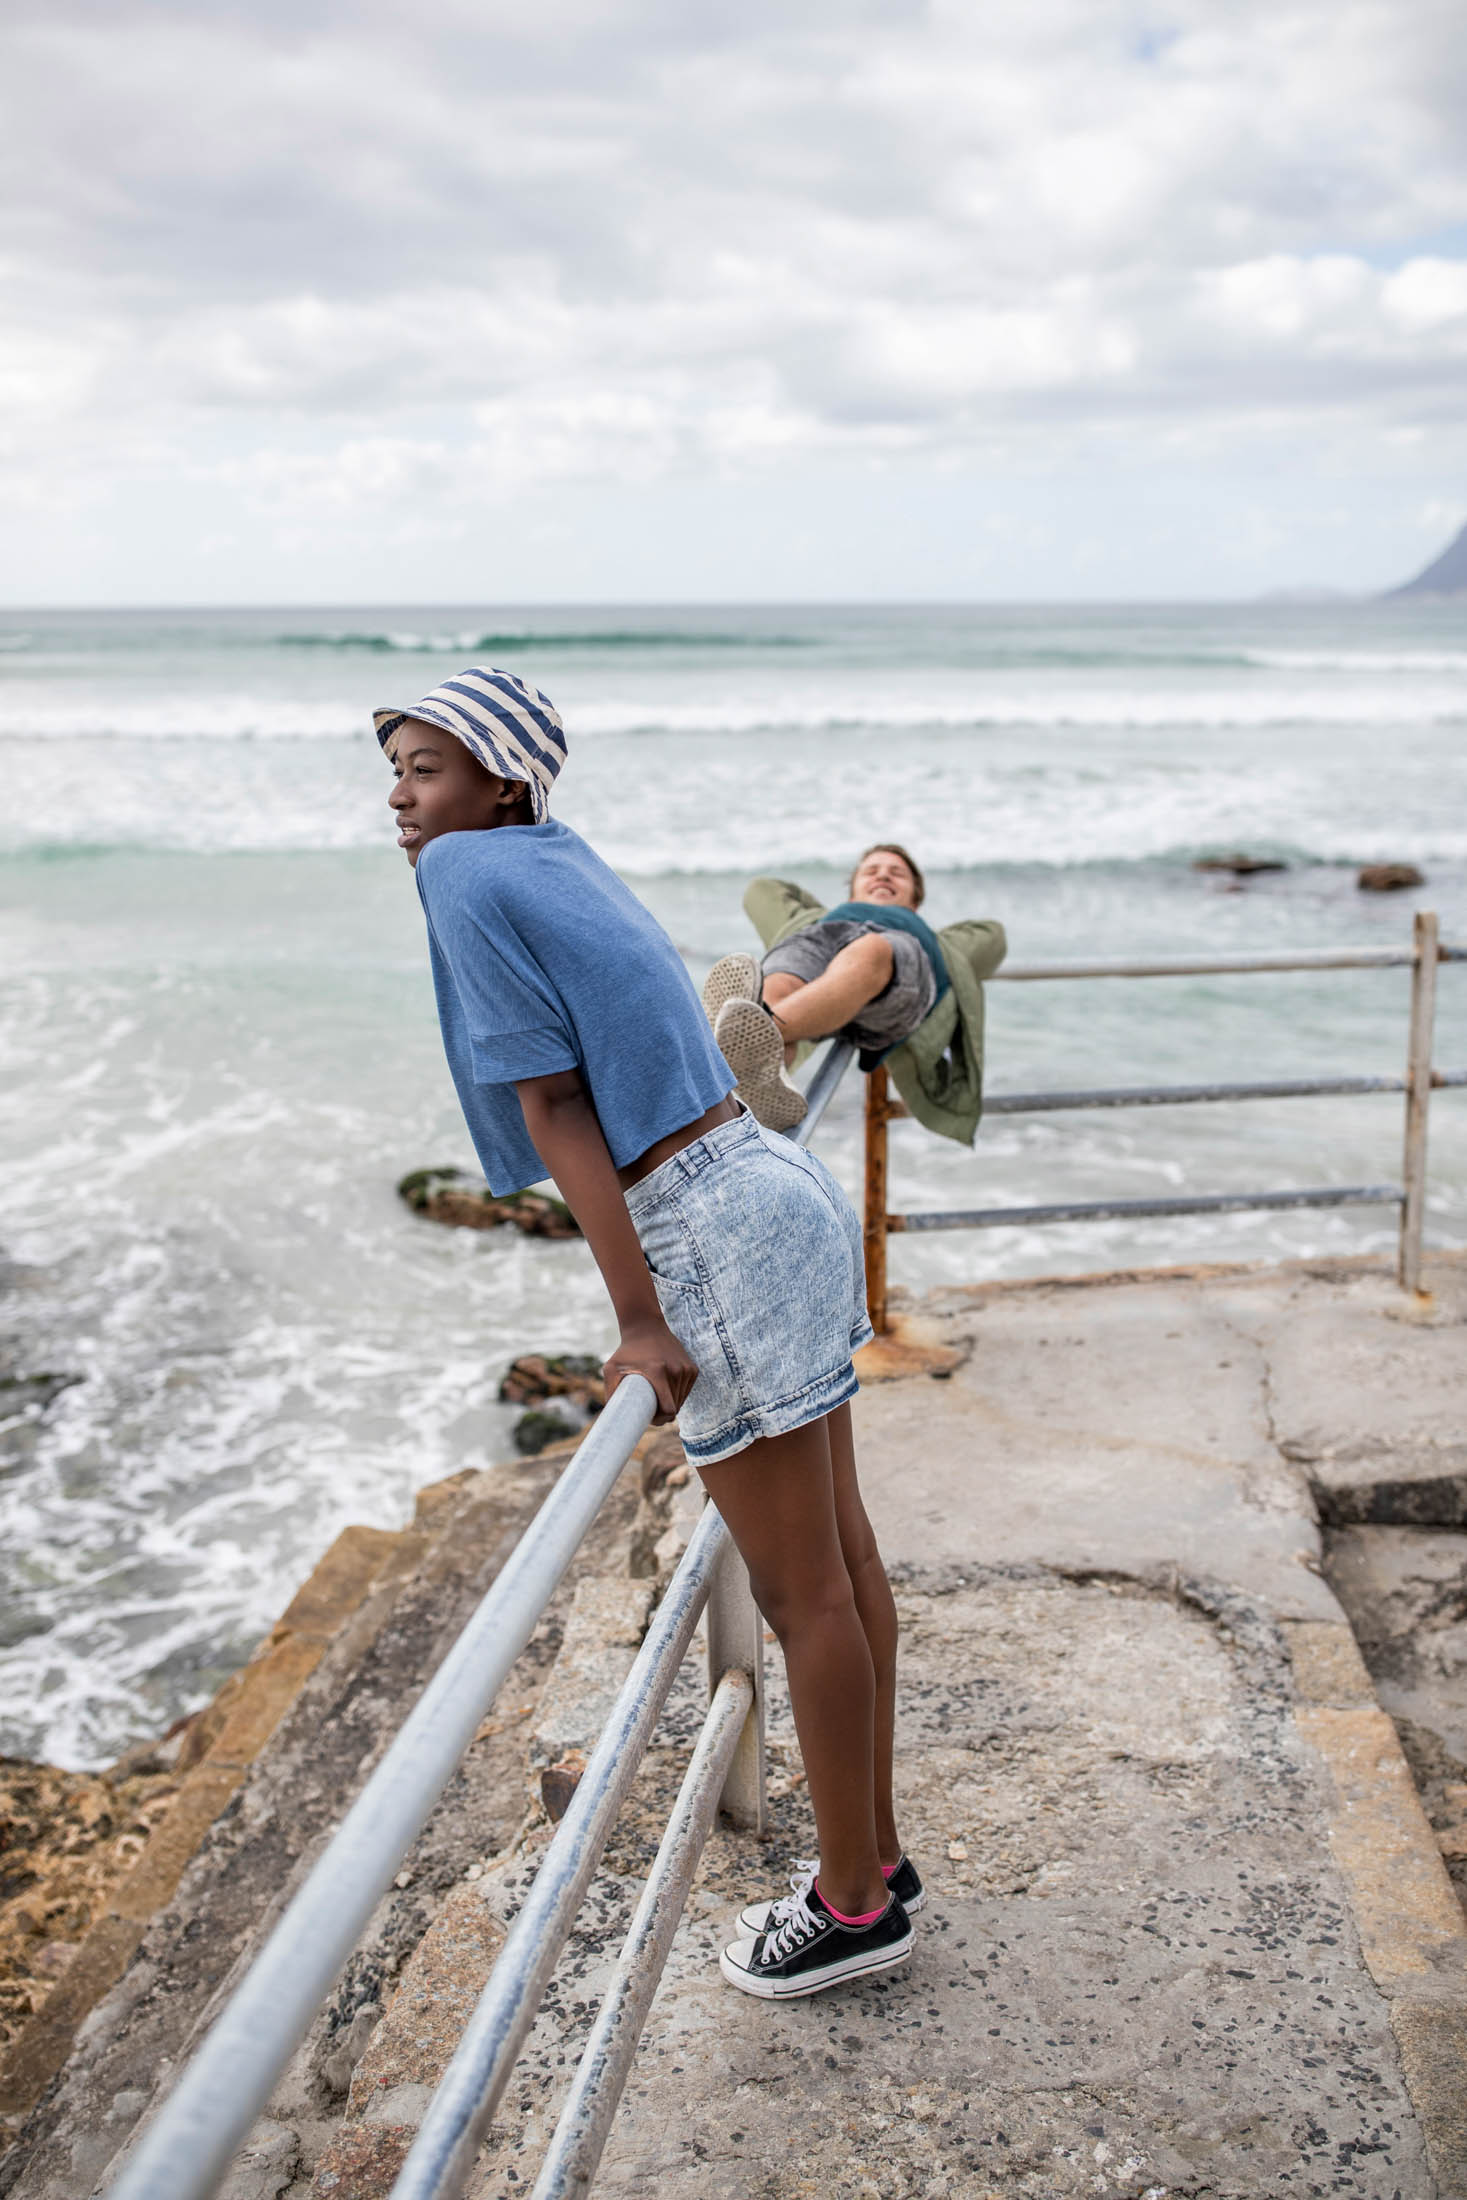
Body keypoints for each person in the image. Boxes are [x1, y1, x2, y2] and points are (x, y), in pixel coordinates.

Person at [377, 665, 923, 2000]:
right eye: (391, 769)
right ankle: (879, 1859)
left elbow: (557, 1109)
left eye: (426, 769)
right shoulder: (557, 853)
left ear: (498, 779)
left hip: (702, 1226)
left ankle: (854, 1909)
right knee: (842, 1562)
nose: (400, 797)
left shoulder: (462, 875)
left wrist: (636, 1320)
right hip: (768, 1185)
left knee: (802, 1597)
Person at [706, 845, 1007, 1138]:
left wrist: (907, 923)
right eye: (871, 871)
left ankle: (740, 1045)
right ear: (852, 891)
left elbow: (993, 937)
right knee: (776, 982)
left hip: (894, 958)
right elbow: (761, 890)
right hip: (821, 941)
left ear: (916, 900)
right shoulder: (814, 919)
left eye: (897, 873)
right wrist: (826, 912)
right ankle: (759, 1084)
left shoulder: (939, 941)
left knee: (871, 949)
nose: (883, 876)